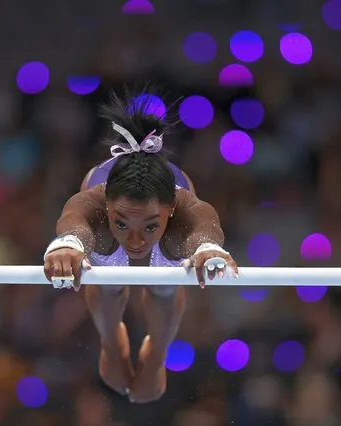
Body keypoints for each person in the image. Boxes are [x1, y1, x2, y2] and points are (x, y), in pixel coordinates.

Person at [43, 90, 239, 403]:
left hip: (169, 233)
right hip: (107, 228)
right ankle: (111, 338)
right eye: (123, 224)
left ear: (171, 208)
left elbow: (205, 223)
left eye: (150, 226)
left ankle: (158, 347)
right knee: (107, 275)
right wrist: (68, 244)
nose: (136, 242)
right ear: (107, 205)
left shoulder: (182, 207)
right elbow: (73, 217)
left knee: (167, 278)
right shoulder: (94, 202)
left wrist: (207, 247)